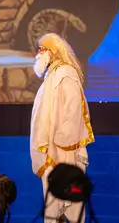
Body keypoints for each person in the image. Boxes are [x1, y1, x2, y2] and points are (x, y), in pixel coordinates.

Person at [29, 33, 95, 223]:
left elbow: (74, 108)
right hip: (51, 149)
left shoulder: (66, 73)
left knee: (72, 203)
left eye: (41, 49)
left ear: (52, 52)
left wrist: (63, 139)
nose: (37, 54)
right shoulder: (52, 75)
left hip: (64, 150)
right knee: (52, 205)